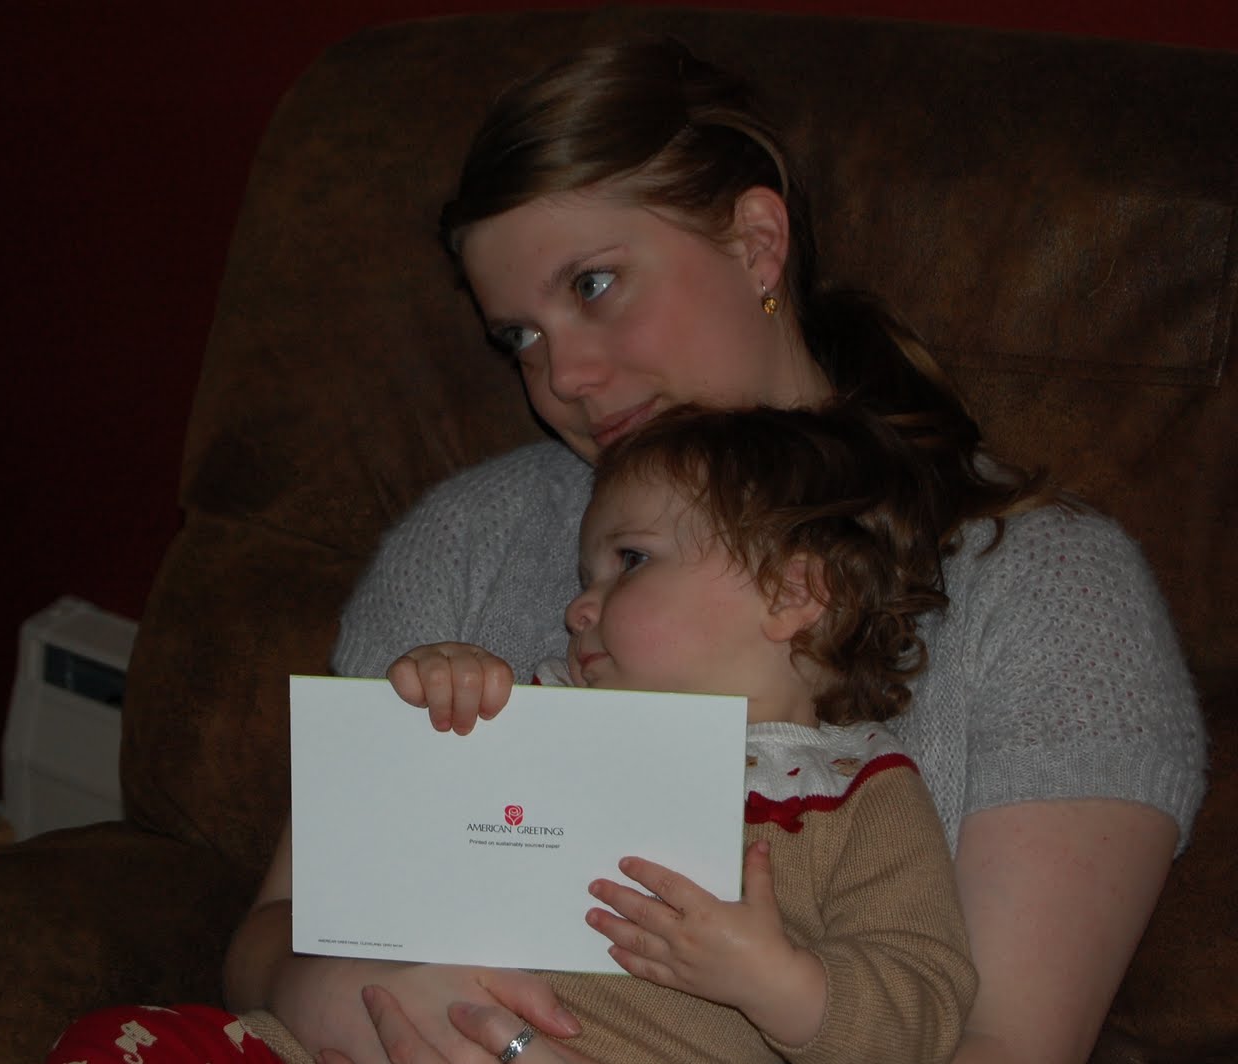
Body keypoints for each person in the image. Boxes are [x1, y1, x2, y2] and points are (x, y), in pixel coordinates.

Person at [223, 35, 1206, 1064]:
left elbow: (1003, 1045)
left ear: (756, 242)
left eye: (593, 285)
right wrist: (362, 996)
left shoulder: (1048, 587)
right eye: (518, 336)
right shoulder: (464, 538)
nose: (562, 376)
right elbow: (276, 928)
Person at [387, 402, 979, 1063]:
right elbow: (396, 840)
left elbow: (922, 1011)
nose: (576, 609)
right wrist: (443, 694)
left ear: (792, 594)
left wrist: (774, 983)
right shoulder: (538, 711)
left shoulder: (855, 792)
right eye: (586, 578)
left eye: (631, 559)